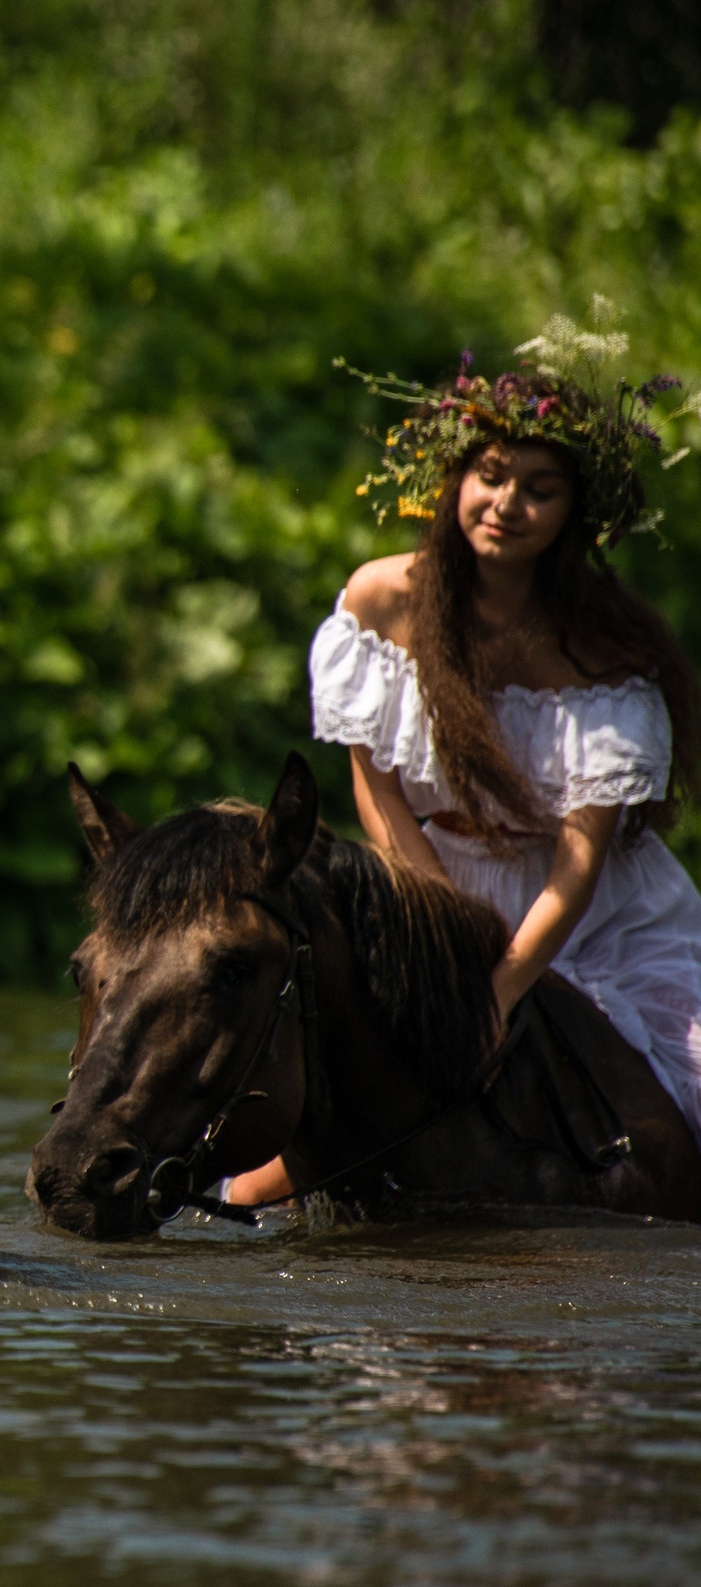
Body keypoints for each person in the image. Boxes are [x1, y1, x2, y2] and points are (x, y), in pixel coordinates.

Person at [231, 313, 701, 1207]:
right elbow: (375, 785)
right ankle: (226, 1201)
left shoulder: (601, 653)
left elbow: (581, 857)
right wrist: (437, 925)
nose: (506, 504)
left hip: (591, 918)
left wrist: (498, 992)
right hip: (430, 889)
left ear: (575, 513)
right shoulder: (385, 599)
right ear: (455, 480)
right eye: (490, 476)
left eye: (539, 488)